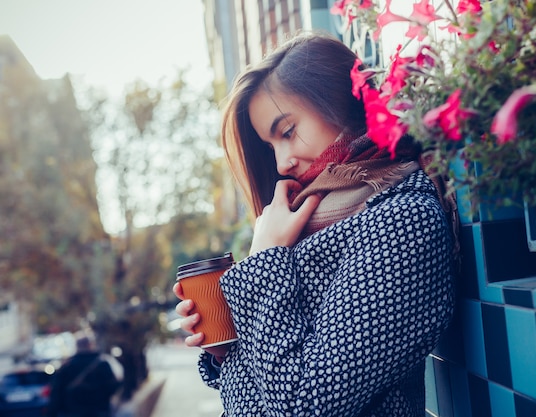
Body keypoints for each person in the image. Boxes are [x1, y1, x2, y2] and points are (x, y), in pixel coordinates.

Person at [174, 31, 456, 417]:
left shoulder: (402, 221)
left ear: (341, 102)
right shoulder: (305, 224)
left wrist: (267, 261)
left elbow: (304, 406)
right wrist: (227, 350)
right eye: (271, 146)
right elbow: (259, 401)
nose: (281, 163)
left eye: (287, 132)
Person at [48, 332, 123, 417]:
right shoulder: (103, 365)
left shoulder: (66, 367)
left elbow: (56, 395)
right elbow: (113, 387)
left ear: (76, 346)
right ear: (90, 345)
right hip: (99, 412)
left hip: (73, 412)